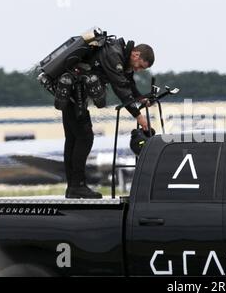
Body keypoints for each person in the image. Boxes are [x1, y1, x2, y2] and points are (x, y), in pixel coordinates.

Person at [55, 37, 155, 199]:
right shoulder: (113, 55)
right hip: (74, 94)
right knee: (84, 138)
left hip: (72, 93)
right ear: (136, 55)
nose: (138, 70)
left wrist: (140, 98)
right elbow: (120, 87)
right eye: (140, 66)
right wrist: (138, 116)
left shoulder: (120, 55)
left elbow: (127, 80)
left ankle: (73, 187)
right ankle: (76, 186)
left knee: (73, 139)